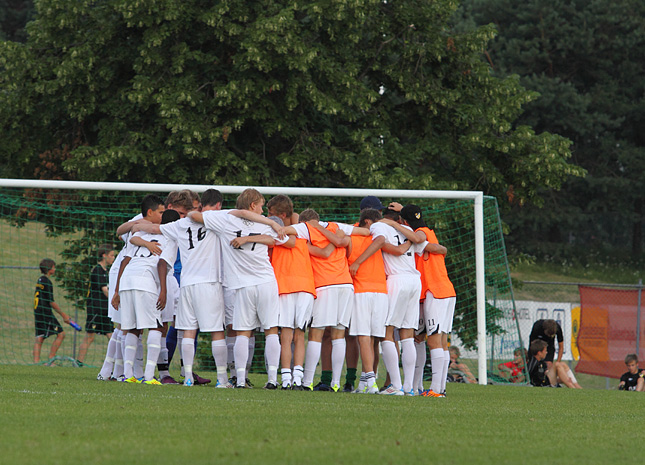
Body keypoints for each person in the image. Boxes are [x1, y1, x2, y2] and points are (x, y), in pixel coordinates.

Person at [188, 188, 288, 389]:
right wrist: (265, 227)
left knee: (243, 332)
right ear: (252, 205)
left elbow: (193, 215)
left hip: (243, 286)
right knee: (270, 331)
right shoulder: (264, 224)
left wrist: (246, 238)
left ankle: (241, 380)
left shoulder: (225, 220)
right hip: (265, 282)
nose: (262, 211)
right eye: (260, 206)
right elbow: (277, 240)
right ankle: (272, 380)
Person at [396, 203, 455, 398]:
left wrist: (392, 224)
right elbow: (441, 248)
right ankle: (429, 387)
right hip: (445, 290)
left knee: (435, 341)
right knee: (430, 339)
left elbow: (420, 239)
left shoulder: (419, 234)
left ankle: (437, 390)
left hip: (434, 291)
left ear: (404, 222)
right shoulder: (429, 230)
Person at [111, 194, 166, 383]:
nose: (163, 215)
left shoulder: (140, 233)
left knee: (132, 328)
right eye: (161, 211)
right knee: (156, 326)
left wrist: (117, 290)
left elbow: (126, 257)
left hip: (127, 280)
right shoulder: (167, 234)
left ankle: (128, 375)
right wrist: (163, 291)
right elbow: (161, 265)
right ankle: (149, 376)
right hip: (144, 281)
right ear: (151, 212)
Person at [266, 195, 315, 390]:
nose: (268, 217)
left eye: (270, 214)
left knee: (286, 335)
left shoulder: (275, 234)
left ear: (281, 215)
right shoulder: (305, 232)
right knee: (299, 335)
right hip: (304, 287)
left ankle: (286, 378)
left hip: (285, 287)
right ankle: (296, 378)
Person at [33, 258, 79, 364]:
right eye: (54, 267)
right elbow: (51, 302)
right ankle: (51, 359)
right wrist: (64, 315)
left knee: (40, 337)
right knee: (61, 334)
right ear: (50, 269)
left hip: (37, 311)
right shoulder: (47, 282)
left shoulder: (40, 280)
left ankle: (36, 363)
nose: (55, 269)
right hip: (45, 312)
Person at [78, 244, 116, 364]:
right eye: (111, 255)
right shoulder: (97, 270)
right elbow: (105, 290)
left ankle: (118, 364)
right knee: (90, 336)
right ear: (104, 256)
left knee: (112, 336)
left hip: (105, 309)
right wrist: (116, 301)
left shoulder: (107, 271)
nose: (113, 258)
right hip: (96, 308)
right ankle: (78, 363)